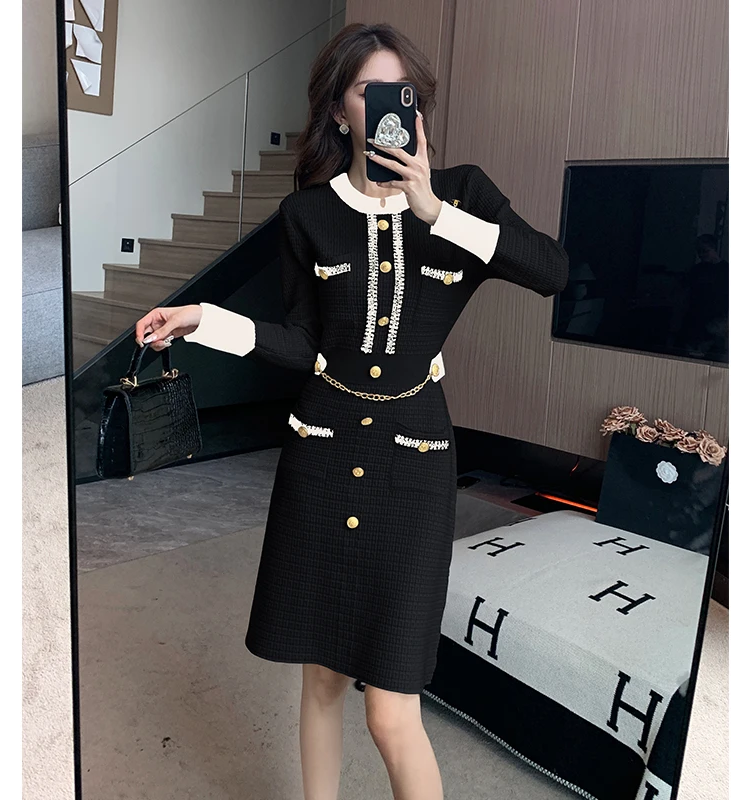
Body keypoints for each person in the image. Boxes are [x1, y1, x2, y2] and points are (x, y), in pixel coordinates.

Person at [134, 22, 569, 800]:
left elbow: (552, 272)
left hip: (415, 471)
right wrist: (203, 319)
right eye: (369, 90)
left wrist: (433, 209)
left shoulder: (462, 193)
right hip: (322, 458)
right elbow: (304, 344)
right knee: (323, 680)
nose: (390, 104)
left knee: (392, 712)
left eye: (402, 91)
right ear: (340, 111)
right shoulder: (307, 215)